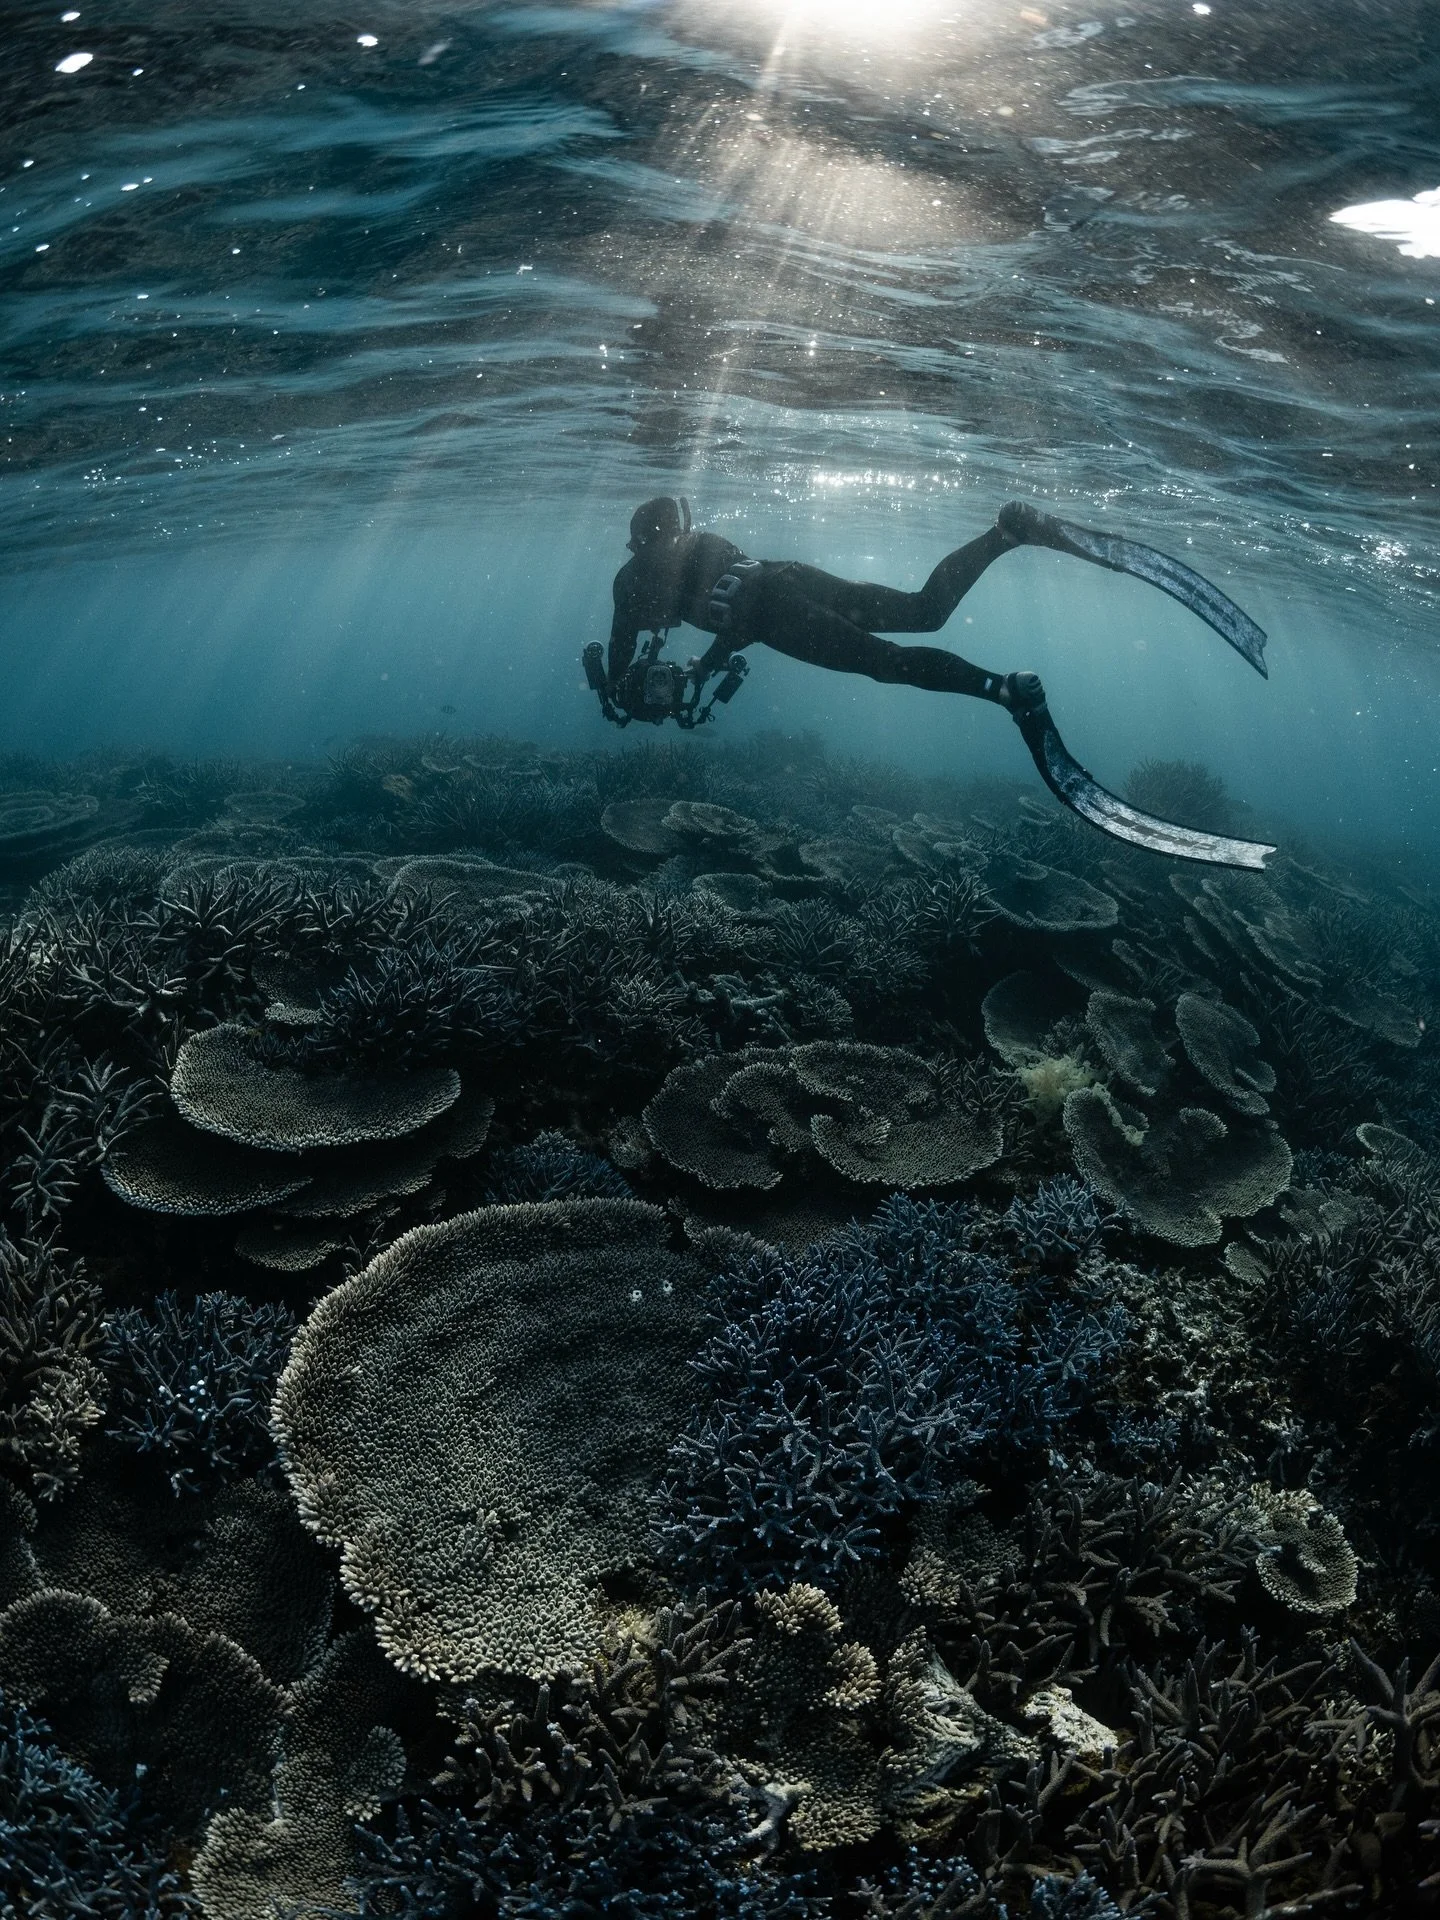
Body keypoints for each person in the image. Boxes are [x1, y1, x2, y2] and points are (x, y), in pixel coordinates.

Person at [582, 495, 1276, 868]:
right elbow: (731, 601)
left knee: (889, 664)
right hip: (785, 577)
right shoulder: (702, 544)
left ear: (639, 541)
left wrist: (620, 688)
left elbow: (631, 644)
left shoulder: (629, 581)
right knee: (923, 611)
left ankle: (1005, 692)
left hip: (772, 611)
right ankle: (1008, 532)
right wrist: (702, 667)